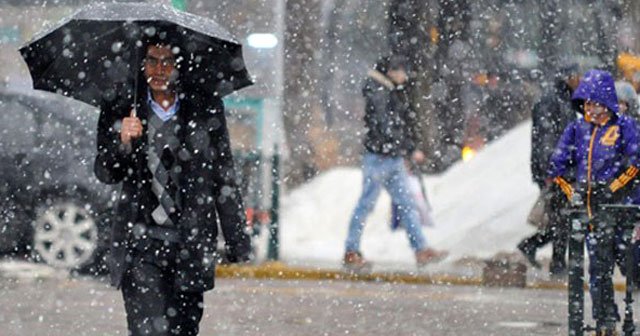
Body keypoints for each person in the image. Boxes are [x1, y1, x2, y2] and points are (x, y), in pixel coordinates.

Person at [94, 35, 251, 335]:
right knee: (148, 329)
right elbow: (105, 172)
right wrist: (123, 142)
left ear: (180, 66)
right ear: (140, 65)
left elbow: (223, 175)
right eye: (151, 60)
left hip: (190, 244)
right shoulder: (122, 107)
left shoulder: (204, 108)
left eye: (168, 61)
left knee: (183, 328)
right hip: (141, 244)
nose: (159, 69)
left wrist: (236, 239)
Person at [548, 69, 640, 332]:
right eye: (586, 103)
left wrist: (611, 189)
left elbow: (635, 164)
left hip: (622, 212)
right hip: (591, 216)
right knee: (598, 273)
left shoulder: (624, 126)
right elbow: (557, 166)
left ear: (607, 101)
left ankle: (627, 321)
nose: (591, 108)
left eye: (595, 102)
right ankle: (606, 321)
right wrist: (573, 191)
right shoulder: (577, 129)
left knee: (631, 265)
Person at [343, 55, 447, 271]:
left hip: (389, 156)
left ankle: (420, 249)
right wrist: (408, 148)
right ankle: (351, 251)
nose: (405, 76)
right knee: (369, 205)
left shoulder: (384, 90)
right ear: (391, 71)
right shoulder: (379, 92)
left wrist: (404, 149)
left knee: (405, 205)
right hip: (381, 157)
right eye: (403, 71)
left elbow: (391, 125)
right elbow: (387, 125)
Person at [517, 64, 580, 276]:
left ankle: (533, 247)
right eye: (577, 76)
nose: (580, 81)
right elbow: (546, 140)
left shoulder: (565, 101)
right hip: (555, 171)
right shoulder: (553, 102)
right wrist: (550, 172)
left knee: (562, 217)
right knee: (562, 217)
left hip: (561, 170)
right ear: (568, 77)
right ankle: (557, 263)